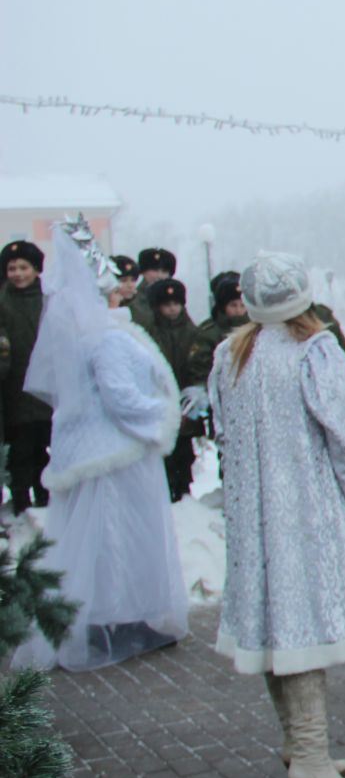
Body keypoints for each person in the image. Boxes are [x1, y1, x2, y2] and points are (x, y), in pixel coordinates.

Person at [209, 252, 345, 778]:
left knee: (273, 624)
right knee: (300, 629)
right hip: (306, 512)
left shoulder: (231, 353)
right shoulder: (316, 351)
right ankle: (311, 757)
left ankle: (298, 744)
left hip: (252, 516)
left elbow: (222, 435)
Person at [9, 222, 188, 673]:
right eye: (114, 281)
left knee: (109, 538)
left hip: (106, 452)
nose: (123, 286)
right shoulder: (107, 338)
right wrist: (165, 415)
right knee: (115, 539)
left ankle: (113, 618)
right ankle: (114, 620)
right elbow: (121, 396)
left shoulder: (98, 332)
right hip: (116, 455)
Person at [143, 278, 209, 502]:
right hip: (159, 402)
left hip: (186, 400)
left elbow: (200, 365)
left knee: (184, 452)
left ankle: (184, 490)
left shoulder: (194, 333)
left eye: (176, 303)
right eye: (166, 304)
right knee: (163, 453)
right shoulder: (150, 334)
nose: (172, 308)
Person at [0, 239, 52, 513]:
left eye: (24, 267)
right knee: (21, 449)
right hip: (14, 388)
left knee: (45, 446)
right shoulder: (2, 302)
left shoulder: (49, 298)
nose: (18, 273)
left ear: (36, 269)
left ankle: (45, 495)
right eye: (12, 268)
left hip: (48, 388)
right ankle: (21, 499)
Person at [128, 245, 179, 332]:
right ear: (143, 271)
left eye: (164, 271)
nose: (159, 276)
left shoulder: (176, 298)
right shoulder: (132, 299)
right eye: (154, 270)